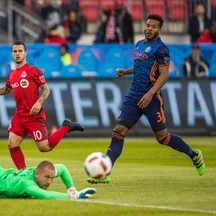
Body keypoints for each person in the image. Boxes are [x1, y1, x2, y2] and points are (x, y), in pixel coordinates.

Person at [87, 14, 206, 184]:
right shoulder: (139, 45)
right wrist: (126, 72)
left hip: (152, 97)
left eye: (154, 27)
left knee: (162, 137)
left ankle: (194, 154)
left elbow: (164, 75)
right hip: (134, 94)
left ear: (160, 30)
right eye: (148, 25)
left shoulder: (161, 49)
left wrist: (150, 94)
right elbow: (141, 67)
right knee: (119, 130)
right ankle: (105, 172)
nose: (150, 29)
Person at [0, 41, 84, 170]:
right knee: (12, 143)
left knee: (44, 147)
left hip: (33, 115)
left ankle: (66, 126)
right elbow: (5, 90)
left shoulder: (33, 70)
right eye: (15, 51)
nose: (17, 54)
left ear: (25, 53)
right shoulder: (12, 74)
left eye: (20, 51)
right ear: (12, 54)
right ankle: (23, 173)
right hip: (20, 115)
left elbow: (46, 90)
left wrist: (38, 102)